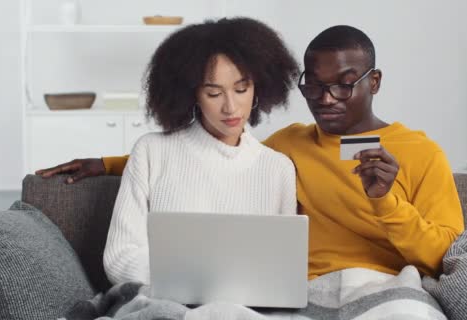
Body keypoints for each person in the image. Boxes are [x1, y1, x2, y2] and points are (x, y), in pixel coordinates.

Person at [37, 25, 464, 280]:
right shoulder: (290, 147)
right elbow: (205, 153)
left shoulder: (420, 153)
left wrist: (387, 202)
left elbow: (447, 258)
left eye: (344, 84)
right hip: (305, 291)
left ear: (375, 81)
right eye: (313, 85)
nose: (327, 98)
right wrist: (109, 164)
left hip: (385, 286)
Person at [61, 17, 300, 285]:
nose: (231, 107)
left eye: (241, 89)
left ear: (259, 87)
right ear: (192, 94)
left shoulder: (278, 169)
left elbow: (280, 270)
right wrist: (194, 286)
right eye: (213, 93)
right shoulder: (152, 152)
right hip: (163, 304)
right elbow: (120, 258)